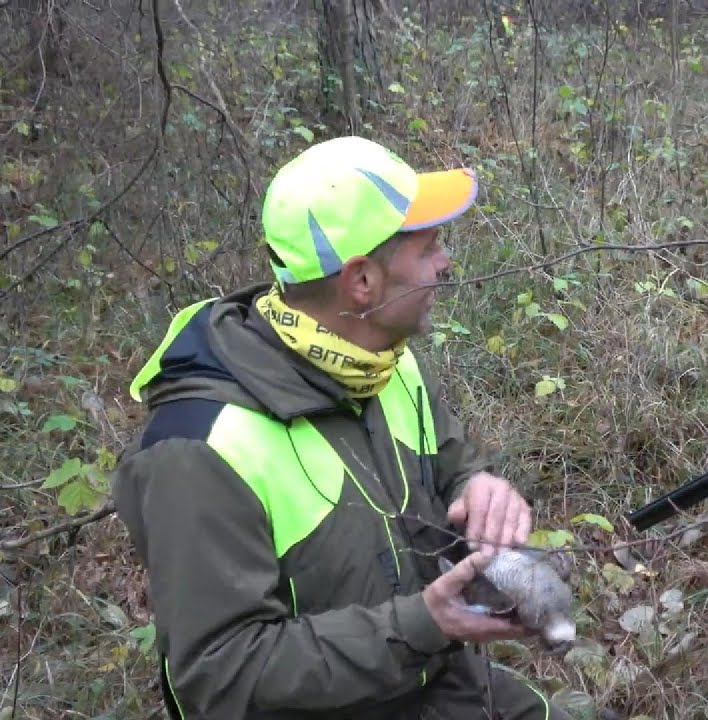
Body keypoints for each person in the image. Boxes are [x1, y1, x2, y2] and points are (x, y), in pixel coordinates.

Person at [111, 136, 572, 720]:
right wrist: (420, 626)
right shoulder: (200, 450)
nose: (445, 262)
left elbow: (454, 463)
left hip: (445, 688)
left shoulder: (387, 359)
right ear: (362, 281)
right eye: (428, 246)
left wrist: (478, 488)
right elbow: (218, 675)